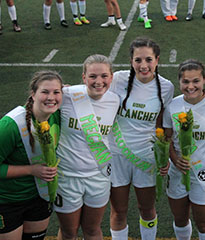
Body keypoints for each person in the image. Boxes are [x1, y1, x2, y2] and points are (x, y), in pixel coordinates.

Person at [108, 37, 174, 240]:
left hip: (146, 157)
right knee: (119, 210)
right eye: (138, 60)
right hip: (116, 154)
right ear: (131, 60)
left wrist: (165, 157)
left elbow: (163, 125)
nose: (143, 65)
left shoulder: (166, 87)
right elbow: (94, 94)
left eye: (148, 59)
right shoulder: (117, 79)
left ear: (157, 60)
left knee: (146, 208)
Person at [53, 54, 120, 240]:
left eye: (104, 76)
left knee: (92, 230)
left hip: (98, 176)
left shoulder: (115, 101)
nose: (99, 81)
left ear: (111, 77)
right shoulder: (67, 95)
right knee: (68, 233)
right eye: (92, 76)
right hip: (68, 177)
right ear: (84, 78)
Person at [163, 59, 205, 240]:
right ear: (179, 82)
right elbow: (167, 139)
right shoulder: (172, 107)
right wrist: (175, 159)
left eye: (195, 81)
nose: (190, 86)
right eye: (185, 82)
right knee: (180, 219)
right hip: (178, 172)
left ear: (204, 80)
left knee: (204, 223)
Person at [0, 70, 63, 240]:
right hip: (7, 201)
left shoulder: (56, 115)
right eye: (45, 92)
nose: (51, 97)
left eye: (56, 92)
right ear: (33, 94)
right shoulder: (10, 126)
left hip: (39, 197)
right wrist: (31, 170)